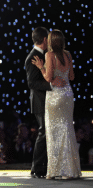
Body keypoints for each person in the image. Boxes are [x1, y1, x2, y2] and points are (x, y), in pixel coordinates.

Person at [32, 30, 81, 180]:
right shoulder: (68, 55)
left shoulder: (49, 55)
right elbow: (72, 76)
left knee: (54, 133)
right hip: (68, 94)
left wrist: (41, 67)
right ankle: (70, 170)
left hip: (55, 96)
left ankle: (56, 170)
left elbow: (48, 78)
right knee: (67, 129)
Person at [25, 26, 51, 178]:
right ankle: (36, 167)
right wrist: (51, 85)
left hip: (46, 100)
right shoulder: (33, 57)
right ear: (45, 39)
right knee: (43, 132)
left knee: (46, 132)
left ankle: (43, 166)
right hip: (39, 101)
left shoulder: (44, 54)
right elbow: (32, 83)